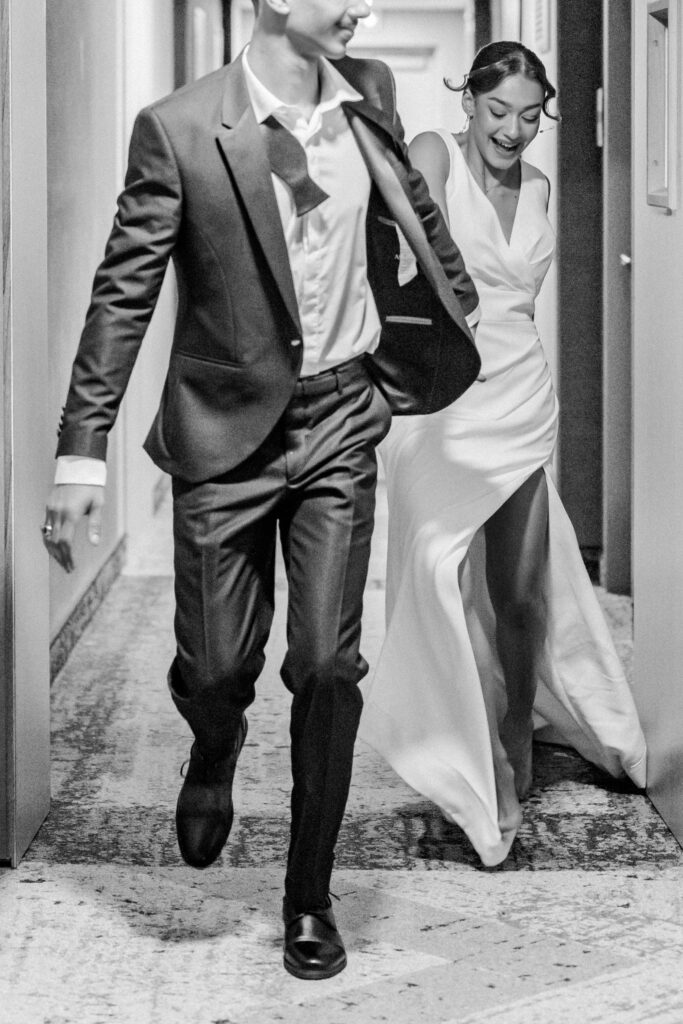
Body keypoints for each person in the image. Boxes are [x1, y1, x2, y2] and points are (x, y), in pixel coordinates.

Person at [41, 0, 481, 980]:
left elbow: (408, 220)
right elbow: (123, 291)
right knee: (215, 667)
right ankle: (213, 744)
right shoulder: (180, 128)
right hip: (221, 433)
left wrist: (441, 312)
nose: (362, 8)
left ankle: (308, 896)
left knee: (327, 664)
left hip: (340, 420)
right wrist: (81, 452)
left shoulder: (367, 99)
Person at [359, 41, 647, 867]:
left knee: (517, 593)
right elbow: (393, 225)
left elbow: (517, 299)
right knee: (437, 573)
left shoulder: (542, 187)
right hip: (441, 405)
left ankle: (515, 726)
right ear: (468, 104)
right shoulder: (432, 154)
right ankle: (468, 754)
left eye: (528, 115)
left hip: (520, 396)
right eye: (496, 111)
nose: (512, 130)